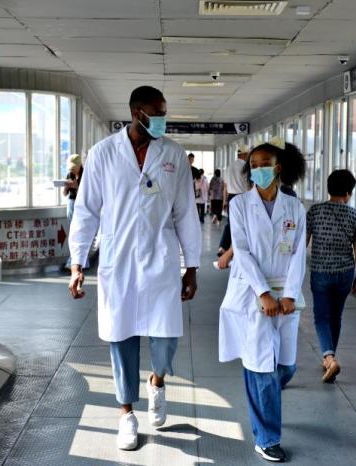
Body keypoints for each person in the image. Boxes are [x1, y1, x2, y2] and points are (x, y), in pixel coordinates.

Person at [68, 86, 202, 450]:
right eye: (156, 114)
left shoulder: (173, 154)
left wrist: (191, 266)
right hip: (120, 261)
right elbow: (86, 210)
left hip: (161, 259)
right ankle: (126, 413)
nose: (162, 120)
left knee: (167, 338)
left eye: (164, 113)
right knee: (121, 337)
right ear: (136, 113)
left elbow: (186, 212)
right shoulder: (103, 153)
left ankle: (157, 381)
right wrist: (77, 262)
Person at [219, 140, 306, 463]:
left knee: (286, 365)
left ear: (278, 167)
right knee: (261, 367)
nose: (258, 169)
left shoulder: (294, 207)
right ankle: (266, 438)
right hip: (252, 294)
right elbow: (241, 251)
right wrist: (263, 293)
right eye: (253, 165)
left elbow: (298, 254)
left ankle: (266, 401)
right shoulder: (240, 205)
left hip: (286, 296)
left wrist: (289, 294)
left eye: (264, 163)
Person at [306, 169, 356, 383]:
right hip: (344, 273)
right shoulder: (354, 215)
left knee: (321, 316)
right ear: (348, 192)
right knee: (336, 316)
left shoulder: (315, 211)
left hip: (320, 271)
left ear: (328, 189)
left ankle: (329, 358)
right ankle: (329, 357)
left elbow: (303, 242)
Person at [218, 144, 250, 256]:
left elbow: (225, 187)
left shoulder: (229, 167)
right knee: (245, 224)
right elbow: (249, 185)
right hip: (243, 197)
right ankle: (240, 249)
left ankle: (223, 247)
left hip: (231, 197)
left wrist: (225, 201)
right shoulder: (246, 167)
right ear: (245, 154)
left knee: (231, 223)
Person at [63, 153, 83, 271]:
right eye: (71, 168)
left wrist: (76, 187)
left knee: (80, 232)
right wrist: (66, 187)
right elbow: (64, 194)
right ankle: (73, 260)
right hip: (71, 203)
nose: (72, 170)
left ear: (79, 166)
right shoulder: (69, 174)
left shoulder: (85, 174)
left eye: (74, 168)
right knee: (72, 232)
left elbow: (86, 194)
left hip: (81, 204)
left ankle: (77, 261)